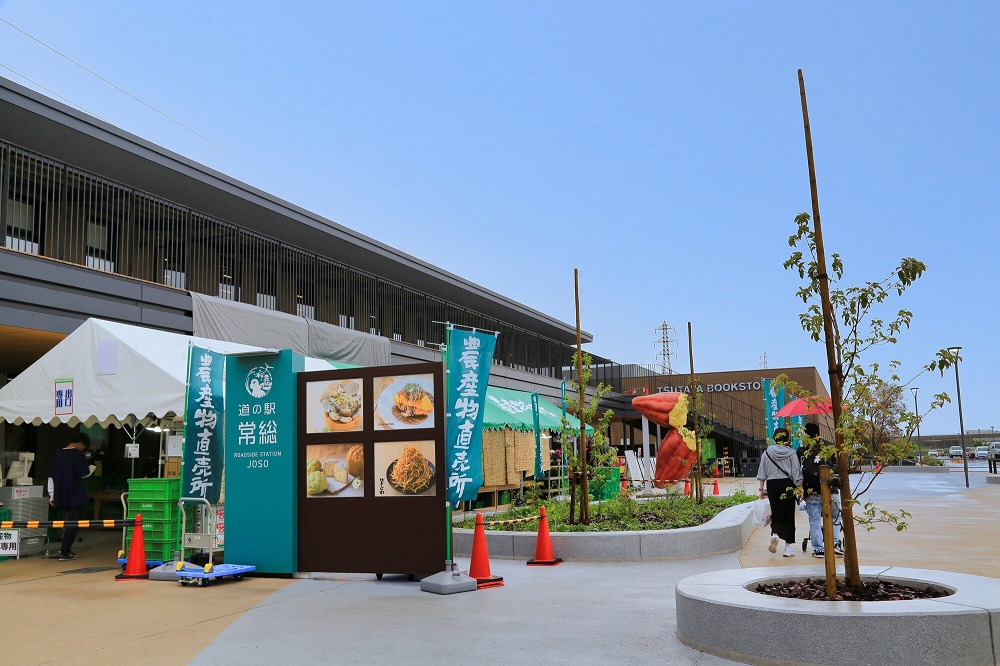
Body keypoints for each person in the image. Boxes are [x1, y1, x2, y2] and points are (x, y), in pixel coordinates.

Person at [47, 432, 96, 561]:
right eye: (84, 446)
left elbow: (51, 477)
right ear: (80, 443)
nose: (83, 449)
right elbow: (83, 474)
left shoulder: (57, 455)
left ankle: (65, 549)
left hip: (61, 494)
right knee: (73, 523)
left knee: (66, 522)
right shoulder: (78, 455)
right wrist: (92, 467)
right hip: (76, 494)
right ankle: (65, 552)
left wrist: (52, 495)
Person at [757, 427, 803, 557]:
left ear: (775, 438)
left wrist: (761, 489)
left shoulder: (767, 453)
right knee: (788, 514)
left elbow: (762, 472)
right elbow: (796, 473)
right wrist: (800, 489)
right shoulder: (791, 453)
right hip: (787, 484)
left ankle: (775, 533)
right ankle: (788, 548)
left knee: (776, 511)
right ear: (787, 439)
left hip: (772, 485)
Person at [800, 422, 843, 558]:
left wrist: (800, 488)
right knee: (835, 515)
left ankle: (819, 548)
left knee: (814, 519)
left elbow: (798, 471)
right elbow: (836, 468)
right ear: (819, 434)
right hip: (831, 489)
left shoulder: (801, 451)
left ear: (806, 436)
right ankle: (836, 543)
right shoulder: (829, 448)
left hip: (811, 490)